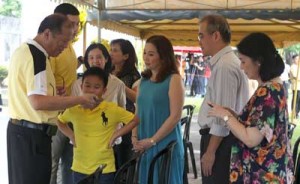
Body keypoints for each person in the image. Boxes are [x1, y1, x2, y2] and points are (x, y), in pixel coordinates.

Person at [6, 14, 98, 184]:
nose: (64, 47)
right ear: (47, 34)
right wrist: (79, 99)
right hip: (31, 136)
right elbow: (38, 102)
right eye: (63, 42)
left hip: (23, 133)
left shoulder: (25, 51)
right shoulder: (37, 56)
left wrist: (55, 95)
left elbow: (33, 96)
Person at [207, 32, 294, 183]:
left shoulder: (268, 91)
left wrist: (225, 116)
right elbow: (259, 124)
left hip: (262, 175)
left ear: (258, 61)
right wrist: (233, 115)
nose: (241, 67)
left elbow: (251, 138)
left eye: (243, 61)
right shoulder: (275, 86)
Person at [56, 67, 139, 184]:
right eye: (87, 85)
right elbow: (59, 121)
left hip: (105, 168)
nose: (91, 90)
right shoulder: (74, 109)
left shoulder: (111, 109)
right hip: (79, 168)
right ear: (81, 87)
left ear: (104, 91)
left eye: (96, 87)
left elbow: (135, 120)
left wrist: (116, 134)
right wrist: (71, 135)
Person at [197, 14, 249, 184]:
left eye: (201, 35)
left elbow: (223, 116)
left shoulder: (225, 65)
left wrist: (211, 152)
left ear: (216, 35)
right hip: (222, 141)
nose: (199, 41)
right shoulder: (225, 62)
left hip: (221, 144)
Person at [132, 35, 184, 183]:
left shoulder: (174, 79)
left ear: (163, 56)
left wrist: (153, 140)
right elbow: (138, 111)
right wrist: (134, 137)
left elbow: (175, 116)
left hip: (164, 142)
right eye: (145, 53)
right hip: (144, 142)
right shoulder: (143, 81)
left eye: (151, 54)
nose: (146, 58)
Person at [50, 3, 82, 184]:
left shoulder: (68, 45)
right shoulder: (53, 48)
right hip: (54, 117)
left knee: (70, 163)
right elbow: (47, 80)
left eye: (77, 24)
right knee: (52, 163)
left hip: (71, 113)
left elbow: (65, 73)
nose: (75, 29)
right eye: (71, 24)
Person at [110, 38, 141, 168]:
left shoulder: (134, 76)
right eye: (110, 50)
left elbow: (137, 98)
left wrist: (119, 84)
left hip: (126, 126)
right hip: (109, 123)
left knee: (123, 164)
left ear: (126, 56)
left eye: (115, 50)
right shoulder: (107, 72)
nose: (111, 53)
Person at [72, 43, 126, 108]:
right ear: (87, 61)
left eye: (99, 57)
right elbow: (73, 108)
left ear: (106, 59)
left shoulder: (118, 84)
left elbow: (122, 110)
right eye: (91, 58)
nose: (95, 61)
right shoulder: (77, 84)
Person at [290, 54, 300, 118]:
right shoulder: (293, 66)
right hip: (296, 87)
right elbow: (296, 76)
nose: (298, 60)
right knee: (295, 100)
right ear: (293, 60)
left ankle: (297, 113)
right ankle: (294, 113)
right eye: (296, 59)